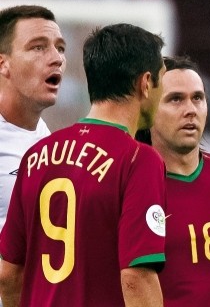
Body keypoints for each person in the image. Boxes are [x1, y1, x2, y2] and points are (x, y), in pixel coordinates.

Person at [0, 23, 167, 307]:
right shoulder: (138, 158)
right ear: (146, 83)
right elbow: (136, 278)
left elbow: (7, 274)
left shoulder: (36, 155)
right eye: (162, 81)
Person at [136, 55, 210, 306]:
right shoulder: (133, 186)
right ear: (148, 108)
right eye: (175, 99)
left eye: (198, 98)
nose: (191, 110)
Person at [0, 5, 66, 232]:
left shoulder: (51, 144)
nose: (57, 58)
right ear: (3, 64)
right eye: (38, 47)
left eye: (60, 48)